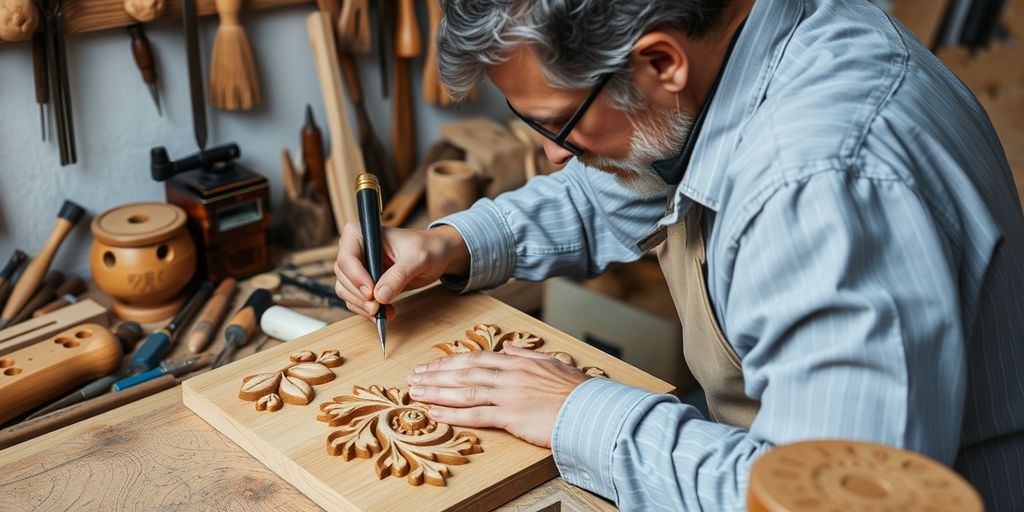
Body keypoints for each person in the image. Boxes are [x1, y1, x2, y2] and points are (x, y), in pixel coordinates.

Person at [334, 0, 1024, 509]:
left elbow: (844, 500)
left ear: (660, 61)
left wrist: (575, 411)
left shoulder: (819, 187)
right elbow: (628, 183)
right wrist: (450, 243)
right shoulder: (753, 46)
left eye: (557, 125)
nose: (550, 155)